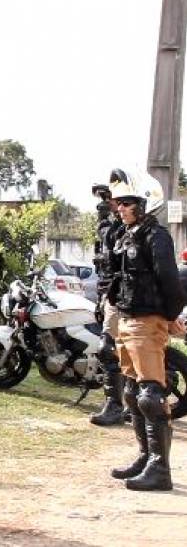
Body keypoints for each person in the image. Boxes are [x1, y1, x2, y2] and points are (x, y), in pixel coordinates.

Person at [107, 169, 186, 491]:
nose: (120, 208)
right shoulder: (129, 234)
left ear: (145, 203)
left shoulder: (157, 237)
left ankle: (160, 469)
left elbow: (170, 282)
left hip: (145, 321)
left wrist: (168, 318)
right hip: (127, 319)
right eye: (119, 203)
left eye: (127, 203)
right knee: (131, 391)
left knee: (151, 395)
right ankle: (144, 457)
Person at [89, 178, 127, 426]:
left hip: (121, 295)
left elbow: (113, 241)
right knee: (118, 350)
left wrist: (104, 219)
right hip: (109, 293)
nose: (109, 203)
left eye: (111, 199)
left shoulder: (124, 225)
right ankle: (127, 405)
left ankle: (115, 405)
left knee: (109, 349)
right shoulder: (115, 224)